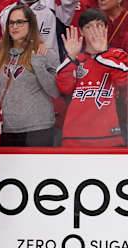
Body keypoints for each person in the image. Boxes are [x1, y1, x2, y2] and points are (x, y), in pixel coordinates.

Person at [0, 5, 59, 146]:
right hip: (5, 129)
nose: (14, 26)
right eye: (11, 22)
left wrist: (38, 65)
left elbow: (55, 91)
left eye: (20, 22)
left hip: (38, 129)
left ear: (31, 25)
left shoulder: (44, 52)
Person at [56, 9, 128, 147]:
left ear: (106, 29)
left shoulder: (118, 55)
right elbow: (64, 88)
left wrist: (103, 53)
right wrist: (71, 58)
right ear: (81, 32)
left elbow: (124, 82)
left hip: (109, 137)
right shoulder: (75, 59)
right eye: (89, 27)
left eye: (99, 25)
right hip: (74, 138)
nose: (95, 30)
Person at [0, 0, 77, 63]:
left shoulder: (54, 6)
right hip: (15, 74)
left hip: (49, 73)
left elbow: (69, 2)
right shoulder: (7, 13)